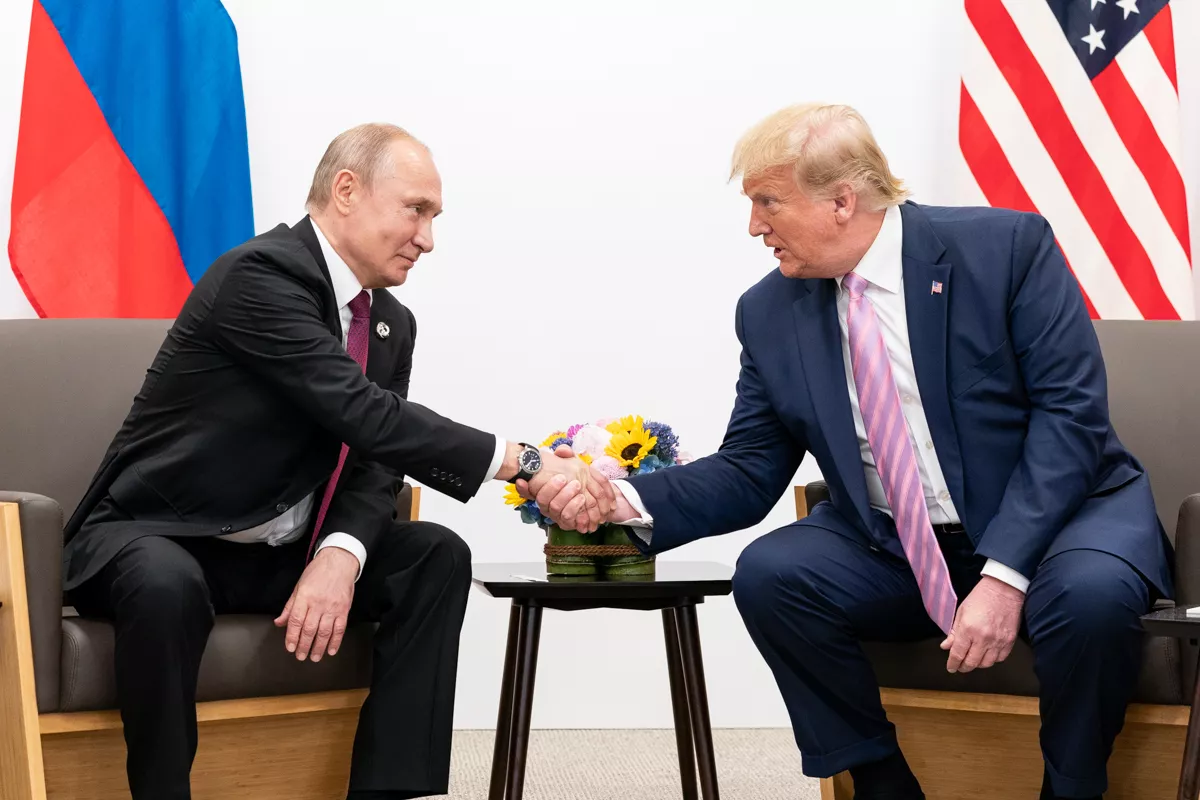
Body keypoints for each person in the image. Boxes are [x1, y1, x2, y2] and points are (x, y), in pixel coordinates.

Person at [526, 103, 1172, 800]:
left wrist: (1005, 573)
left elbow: (1069, 418)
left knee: (1092, 598)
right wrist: (616, 496)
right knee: (773, 575)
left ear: (841, 200)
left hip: (1062, 521)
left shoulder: (1006, 249)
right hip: (897, 542)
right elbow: (749, 468)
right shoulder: (769, 311)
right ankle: (882, 782)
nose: (754, 226)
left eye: (767, 202)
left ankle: (1073, 789)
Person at [63, 123, 614, 800]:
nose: (428, 238)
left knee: (434, 557)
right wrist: (522, 461)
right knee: (165, 582)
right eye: (416, 210)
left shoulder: (390, 323)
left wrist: (341, 552)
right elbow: (361, 411)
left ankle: (385, 792)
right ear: (346, 191)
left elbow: (376, 460)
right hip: (158, 534)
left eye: (434, 218)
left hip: (272, 554)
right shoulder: (258, 278)